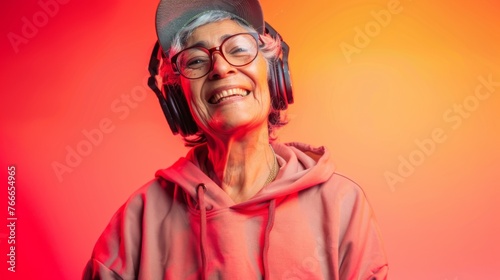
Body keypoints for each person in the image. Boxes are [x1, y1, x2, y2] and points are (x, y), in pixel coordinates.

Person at [83, 0, 388, 279]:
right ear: (179, 98)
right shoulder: (140, 217)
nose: (220, 67)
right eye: (196, 61)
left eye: (239, 49)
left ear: (274, 76)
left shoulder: (341, 205)